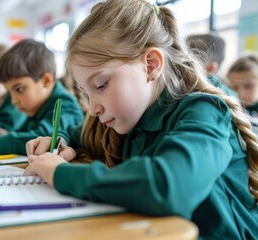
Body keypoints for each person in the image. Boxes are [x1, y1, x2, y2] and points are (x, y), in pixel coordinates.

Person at [24, 0, 258, 239]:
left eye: (101, 85)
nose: (93, 108)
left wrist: (61, 174)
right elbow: (77, 134)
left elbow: (171, 187)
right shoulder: (129, 114)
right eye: (86, 92)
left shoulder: (206, 109)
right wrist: (60, 141)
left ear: (150, 65)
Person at [0, 39, 84, 155]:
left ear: (46, 81)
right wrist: (1, 135)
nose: (13, 100)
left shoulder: (64, 103)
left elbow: (44, 139)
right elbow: (25, 137)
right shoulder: (37, 107)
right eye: (10, 92)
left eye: (19, 89)